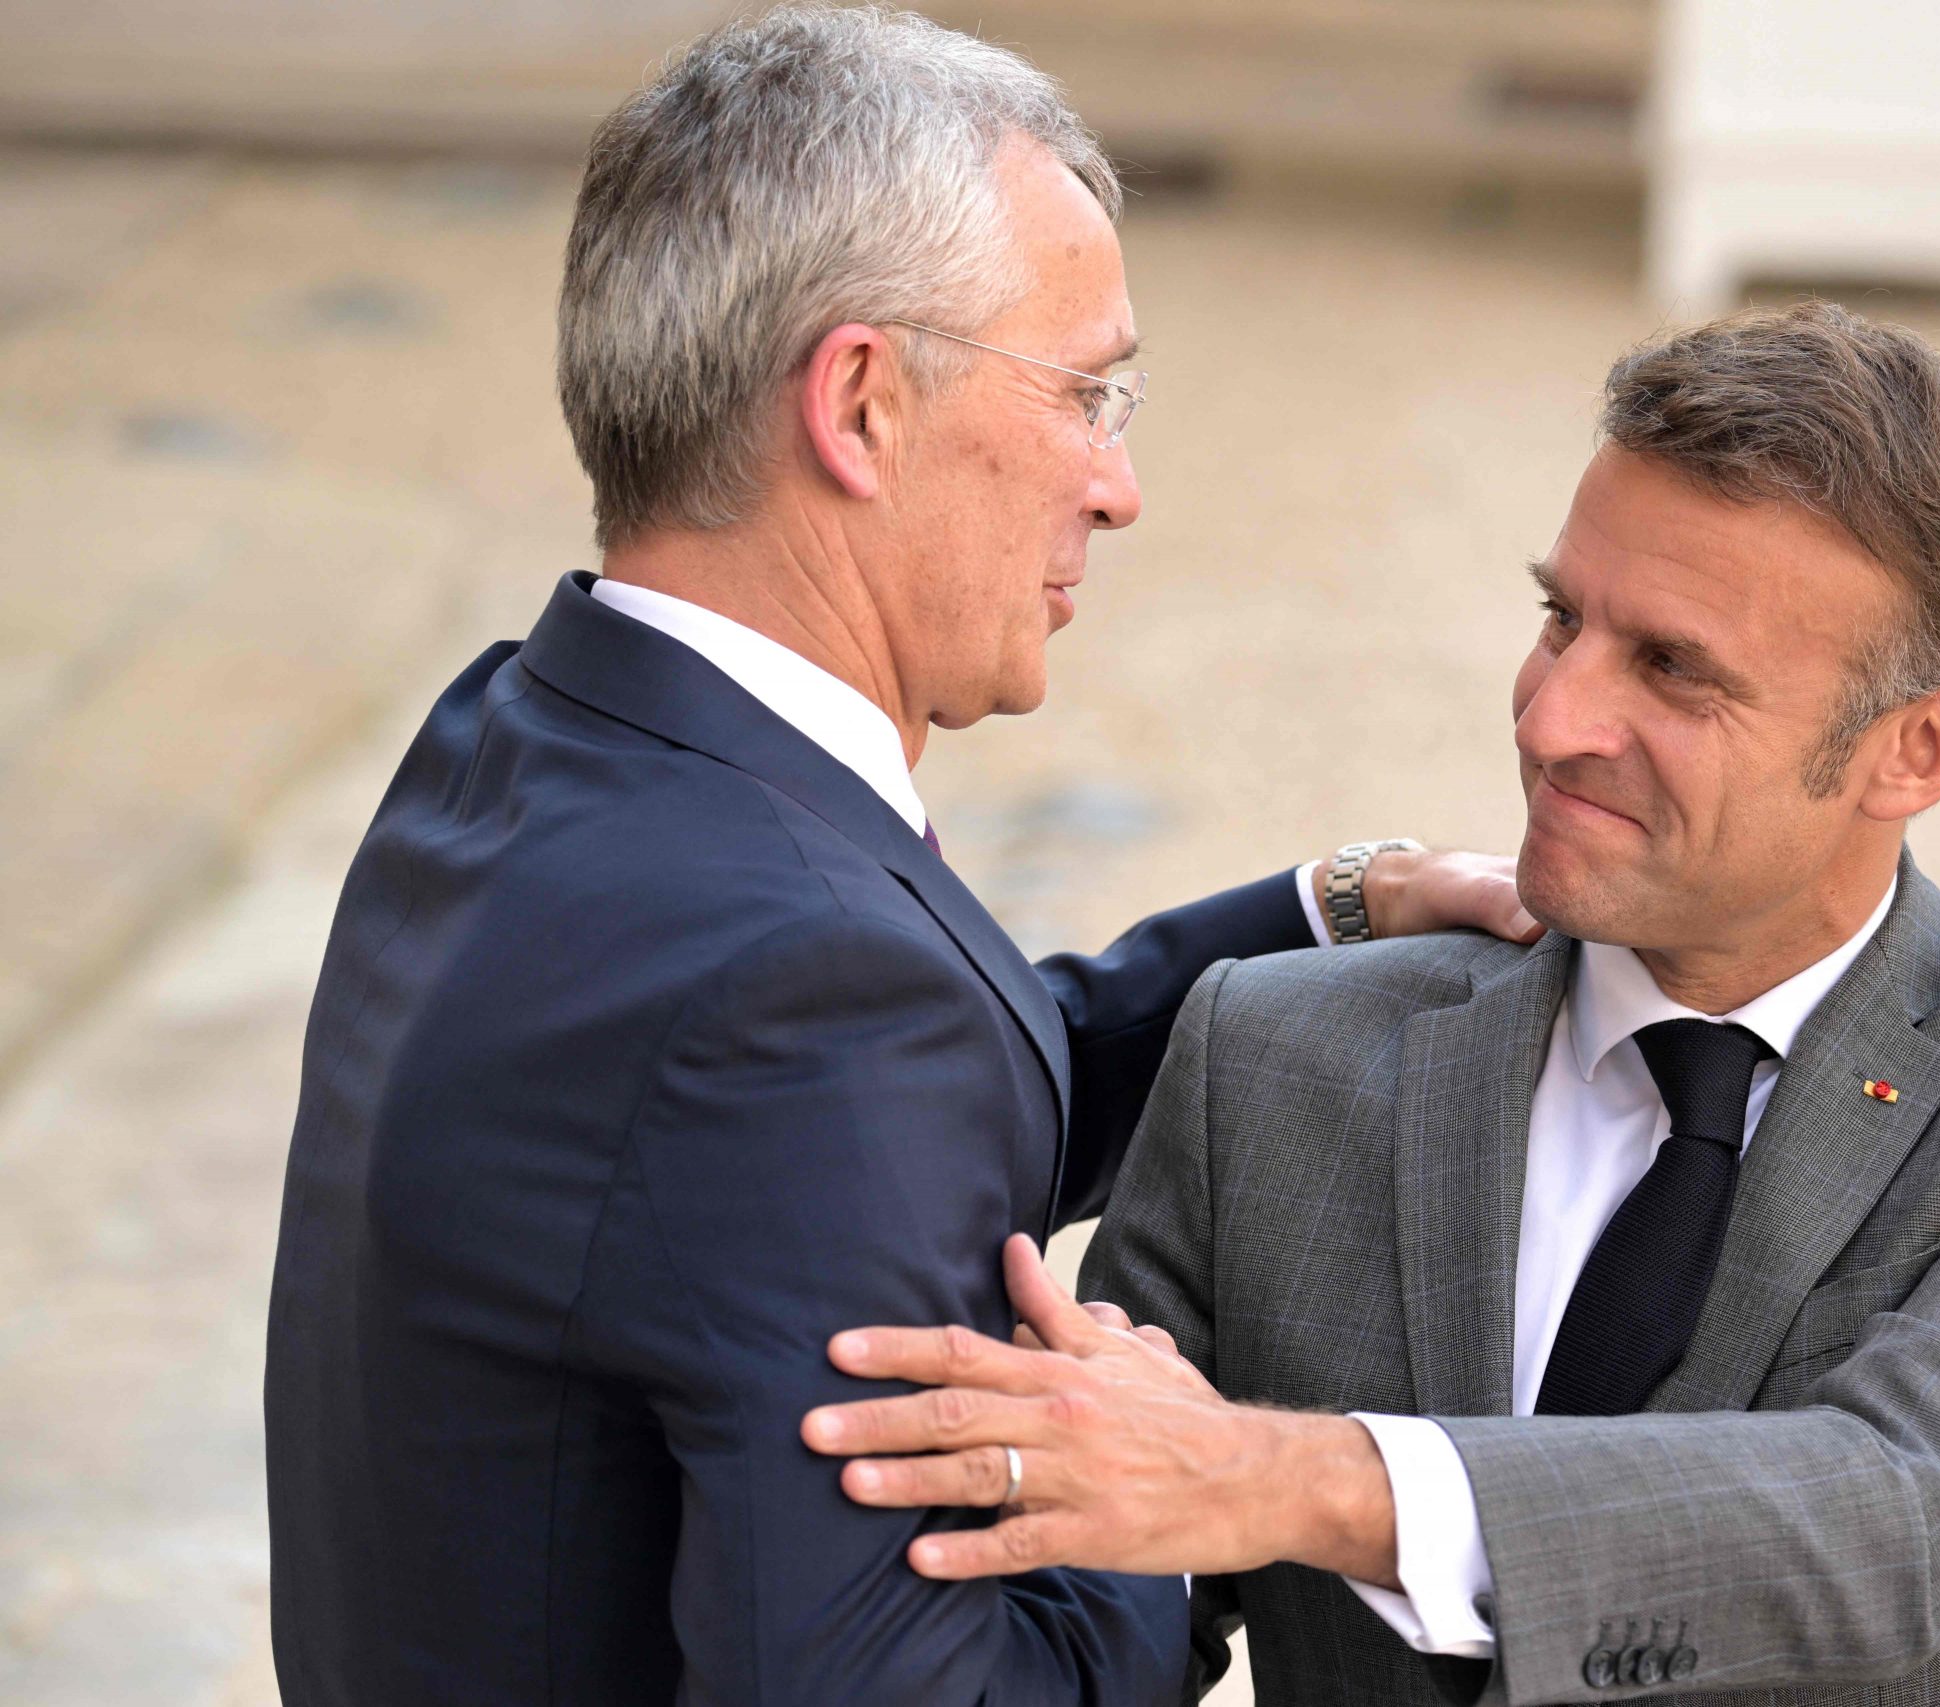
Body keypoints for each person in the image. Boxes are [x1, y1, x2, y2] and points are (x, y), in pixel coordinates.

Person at [260, 9, 1528, 1704]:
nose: (1121, 484)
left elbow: (851, 1131)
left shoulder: (531, 730)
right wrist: (1187, 1486)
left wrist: (1333, 910)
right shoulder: (800, 989)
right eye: (1089, 394)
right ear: (858, 403)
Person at [798, 303, 1940, 1706]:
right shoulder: (1270, 1053)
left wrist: (1282, 1479)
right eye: (1562, 618)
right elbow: (1083, 1588)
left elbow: (1910, 1512)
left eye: (1675, 673)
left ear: (1921, 749)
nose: (1556, 718)